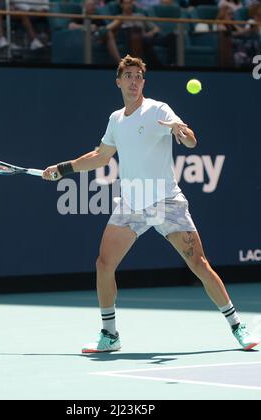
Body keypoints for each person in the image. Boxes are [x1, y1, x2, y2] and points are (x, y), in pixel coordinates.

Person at [42, 55, 260, 353]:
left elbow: (190, 139)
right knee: (104, 265)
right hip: (131, 203)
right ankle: (110, 334)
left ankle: (237, 326)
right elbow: (101, 157)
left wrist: (182, 132)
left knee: (199, 264)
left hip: (166, 201)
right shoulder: (116, 119)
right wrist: (62, 168)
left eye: (139, 76)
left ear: (143, 82)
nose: (134, 81)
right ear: (118, 81)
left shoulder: (158, 109)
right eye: (128, 75)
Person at [107, 0, 177, 66]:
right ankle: (157, 65)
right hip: (138, 41)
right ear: (121, 5)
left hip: (149, 37)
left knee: (172, 36)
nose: (129, 5)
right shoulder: (119, 18)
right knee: (144, 41)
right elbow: (109, 28)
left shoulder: (140, 15)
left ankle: (172, 64)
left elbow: (156, 29)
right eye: (126, 3)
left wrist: (149, 34)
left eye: (130, 3)